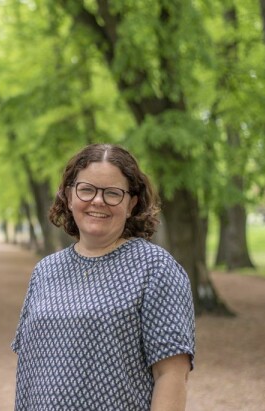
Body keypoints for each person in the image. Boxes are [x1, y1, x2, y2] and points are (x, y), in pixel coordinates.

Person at [12, 144, 195, 410]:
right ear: (69, 196)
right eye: (87, 189)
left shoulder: (155, 268)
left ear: (131, 203)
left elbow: (172, 375)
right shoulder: (45, 271)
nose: (98, 201)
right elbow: (30, 371)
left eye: (112, 193)